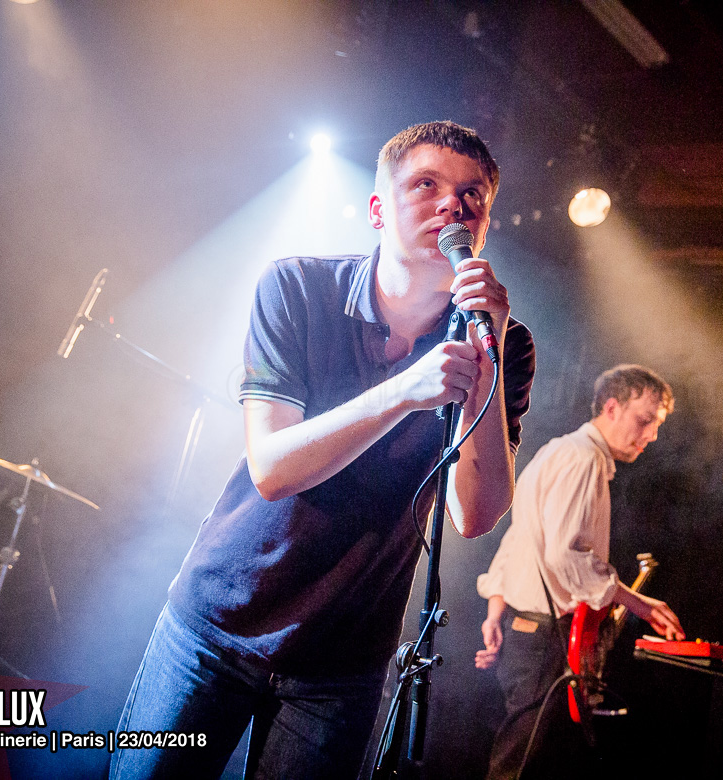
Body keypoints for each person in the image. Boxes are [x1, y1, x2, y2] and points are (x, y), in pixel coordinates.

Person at [111, 121, 535, 780]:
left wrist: (490, 355)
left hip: (343, 660)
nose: (453, 205)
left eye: (471, 195)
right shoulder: (298, 290)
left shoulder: (504, 341)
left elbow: (475, 516)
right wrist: (406, 392)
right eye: (427, 185)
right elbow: (272, 469)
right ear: (378, 210)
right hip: (219, 624)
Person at [474, 364, 684, 780]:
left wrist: (496, 612)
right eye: (645, 421)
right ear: (612, 408)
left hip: (526, 629)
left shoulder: (558, 451)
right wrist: (639, 603)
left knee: (522, 760)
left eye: (656, 425)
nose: (651, 435)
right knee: (521, 765)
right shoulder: (584, 459)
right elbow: (565, 555)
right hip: (543, 637)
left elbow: (520, 540)